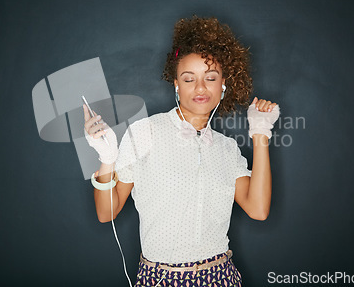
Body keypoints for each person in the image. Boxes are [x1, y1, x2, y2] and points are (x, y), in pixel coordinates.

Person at [83, 15, 280, 287]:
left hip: (221, 277)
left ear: (223, 85)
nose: (200, 88)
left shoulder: (227, 148)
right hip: (161, 278)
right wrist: (106, 161)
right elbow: (107, 213)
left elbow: (258, 209)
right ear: (176, 84)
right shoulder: (145, 132)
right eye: (189, 79)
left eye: (210, 78)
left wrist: (260, 133)